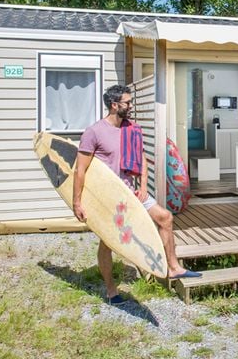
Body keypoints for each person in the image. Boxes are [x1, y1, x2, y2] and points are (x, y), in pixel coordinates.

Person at [72, 84, 201, 303]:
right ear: (115, 105)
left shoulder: (131, 129)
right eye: (128, 102)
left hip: (131, 192)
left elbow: (142, 160)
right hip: (109, 196)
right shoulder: (94, 132)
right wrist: (77, 202)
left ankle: (173, 267)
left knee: (165, 218)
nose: (131, 106)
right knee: (108, 242)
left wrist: (143, 187)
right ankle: (111, 290)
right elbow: (80, 170)